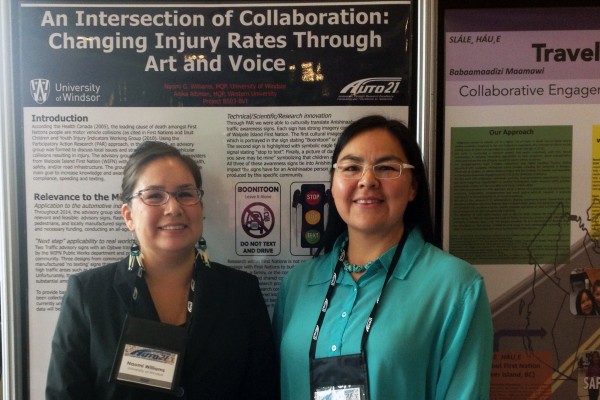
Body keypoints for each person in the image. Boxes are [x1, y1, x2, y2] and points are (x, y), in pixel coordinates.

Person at [273, 115, 493, 400]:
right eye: (351, 167)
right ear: (332, 185)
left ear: (413, 186)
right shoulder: (298, 284)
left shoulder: (456, 287)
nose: (367, 181)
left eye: (387, 168)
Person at [46, 141, 279, 400]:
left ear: (200, 208)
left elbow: (262, 391)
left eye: (185, 194)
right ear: (128, 216)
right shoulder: (88, 294)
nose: (174, 208)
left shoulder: (241, 293)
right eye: (155, 195)